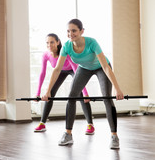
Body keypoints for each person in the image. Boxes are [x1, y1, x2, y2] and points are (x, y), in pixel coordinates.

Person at [42, 19, 124, 149]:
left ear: (81, 31)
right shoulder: (67, 46)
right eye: (68, 31)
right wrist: (48, 91)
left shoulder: (91, 42)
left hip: (100, 67)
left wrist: (117, 89)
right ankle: (68, 134)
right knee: (72, 97)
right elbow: (57, 69)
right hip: (84, 68)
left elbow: (105, 67)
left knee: (107, 98)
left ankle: (114, 136)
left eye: (74, 30)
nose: (71, 34)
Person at [34, 33, 94, 134]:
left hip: (73, 69)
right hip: (60, 71)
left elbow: (75, 69)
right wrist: (38, 93)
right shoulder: (46, 55)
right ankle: (42, 123)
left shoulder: (65, 52)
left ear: (58, 42)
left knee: (79, 93)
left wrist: (85, 92)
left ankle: (90, 125)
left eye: (52, 42)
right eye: (47, 43)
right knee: (50, 93)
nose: (49, 45)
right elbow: (42, 73)